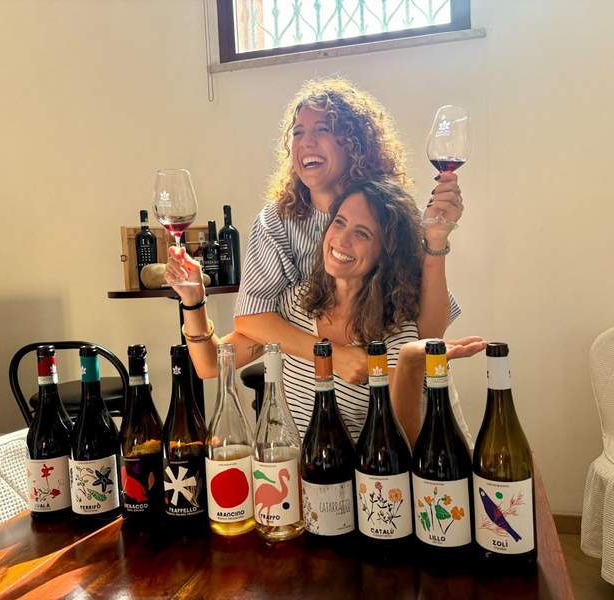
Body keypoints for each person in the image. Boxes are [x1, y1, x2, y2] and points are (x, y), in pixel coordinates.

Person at [166, 180, 485, 443]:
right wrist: (194, 300)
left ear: (386, 252)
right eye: (340, 222)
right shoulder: (294, 306)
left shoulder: (399, 326)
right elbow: (210, 364)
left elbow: (408, 439)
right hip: (304, 491)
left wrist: (396, 371)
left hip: (371, 495)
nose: (342, 240)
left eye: (362, 233)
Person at [232, 78, 464, 385]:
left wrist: (436, 241)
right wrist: (334, 356)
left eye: (322, 130)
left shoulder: (387, 210)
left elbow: (429, 330)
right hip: (312, 397)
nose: (306, 142)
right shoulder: (275, 222)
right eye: (298, 132)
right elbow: (251, 317)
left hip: (389, 395)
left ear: (356, 142)